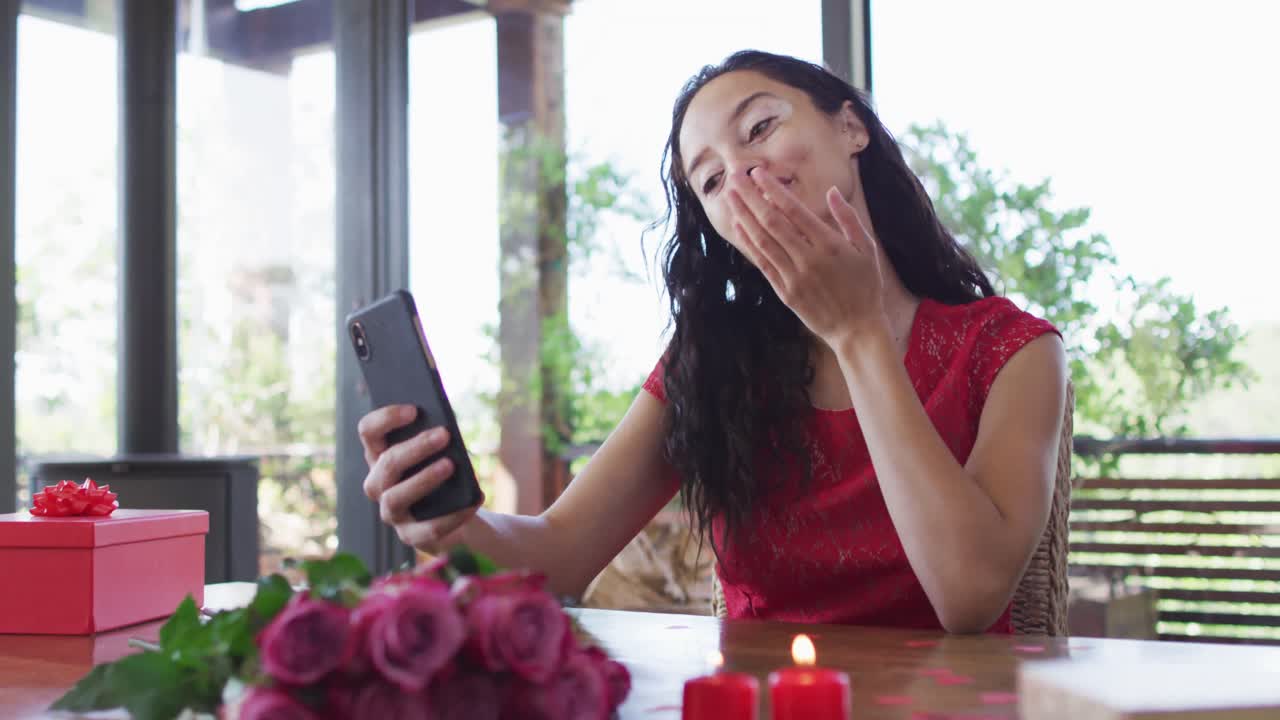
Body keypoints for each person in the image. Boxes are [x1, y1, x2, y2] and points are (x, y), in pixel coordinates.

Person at [359, 50, 1067, 634]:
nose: (745, 176)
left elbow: (970, 597)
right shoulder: (714, 365)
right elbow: (557, 557)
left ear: (851, 128)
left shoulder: (1013, 350)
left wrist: (857, 332)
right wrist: (451, 526)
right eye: (712, 179)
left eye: (759, 128)